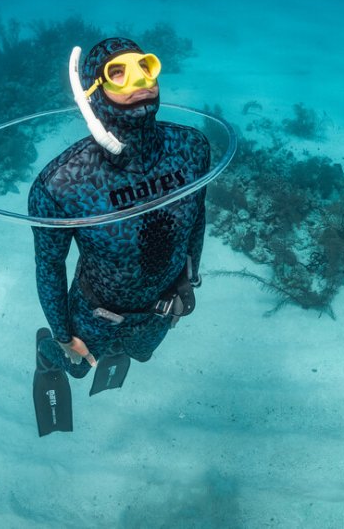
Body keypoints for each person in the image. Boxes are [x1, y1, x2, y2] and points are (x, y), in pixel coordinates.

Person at [28, 37, 209, 436]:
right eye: (118, 73)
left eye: (145, 66)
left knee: (140, 355)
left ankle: (120, 350)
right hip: (93, 314)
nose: (139, 80)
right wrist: (61, 333)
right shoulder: (61, 183)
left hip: (163, 306)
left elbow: (197, 217)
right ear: (91, 92)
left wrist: (189, 279)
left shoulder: (193, 149)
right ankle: (45, 356)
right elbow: (50, 265)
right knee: (75, 366)